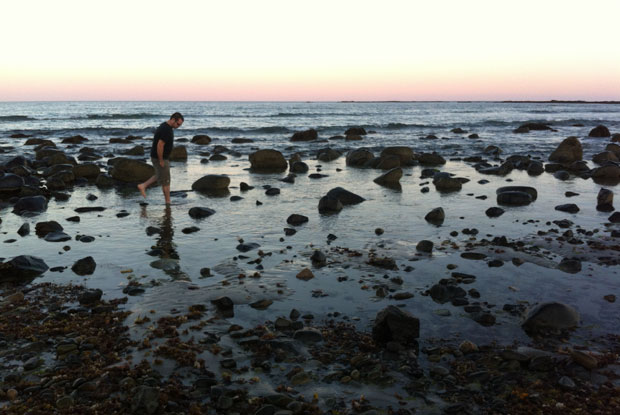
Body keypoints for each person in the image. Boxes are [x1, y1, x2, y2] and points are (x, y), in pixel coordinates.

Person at [138, 112, 184, 204]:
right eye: (178, 124)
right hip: (160, 157)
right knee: (166, 181)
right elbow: (160, 145)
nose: (178, 126)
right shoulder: (166, 129)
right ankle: (168, 202)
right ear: (173, 119)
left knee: (160, 175)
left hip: (158, 156)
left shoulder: (165, 126)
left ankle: (143, 186)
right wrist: (161, 160)